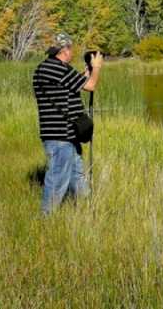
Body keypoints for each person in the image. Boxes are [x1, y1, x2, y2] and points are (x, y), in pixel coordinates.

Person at [32, 33, 103, 215]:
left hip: (64, 134)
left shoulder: (45, 68)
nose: (72, 53)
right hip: (60, 135)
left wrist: (84, 74)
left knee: (76, 175)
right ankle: (47, 218)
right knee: (57, 178)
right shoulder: (60, 69)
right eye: (70, 49)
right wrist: (96, 68)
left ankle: (87, 210)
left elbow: (68, 86)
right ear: (65, 51)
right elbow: (91, 86)